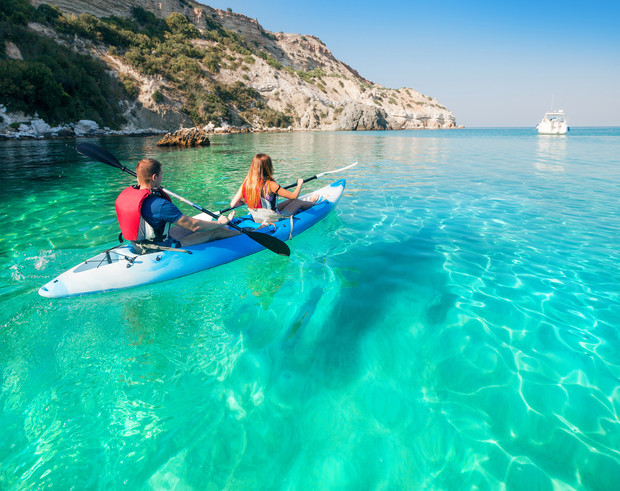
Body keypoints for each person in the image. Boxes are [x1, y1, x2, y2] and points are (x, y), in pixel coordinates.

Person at [115, 158, 237, 252]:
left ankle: (223, 227)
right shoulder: (160, 205)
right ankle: (248, 233)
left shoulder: (130, 196)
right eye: (161, 174)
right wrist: (219, 223)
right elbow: (194, 226)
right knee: (216, 231)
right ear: (154, 177)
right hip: (158, 248)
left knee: (192, 225)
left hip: (138, 245)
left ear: (138, 178)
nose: (162, 178)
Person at [229, 153, 316, 218]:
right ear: (268, 167)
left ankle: (310, 202)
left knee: (290, 202)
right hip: (273, 218)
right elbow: (294, 196)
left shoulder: (246, 183)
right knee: (297, 201)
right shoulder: (271, 185)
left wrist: (248, 200)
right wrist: (299, 184)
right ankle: (314, 203)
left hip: (257, 217)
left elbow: (233, 204)